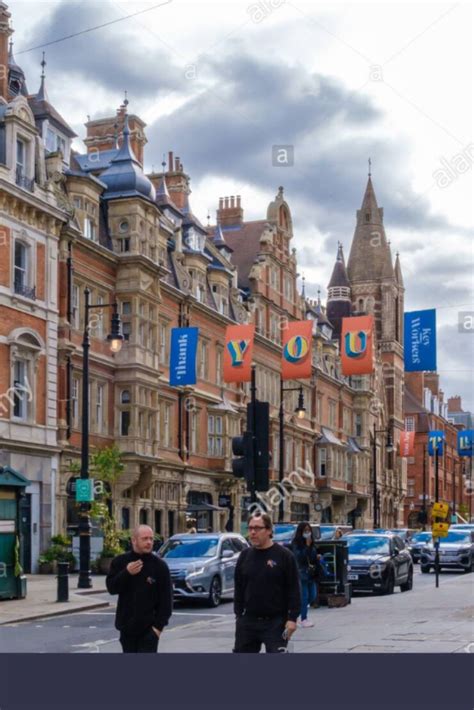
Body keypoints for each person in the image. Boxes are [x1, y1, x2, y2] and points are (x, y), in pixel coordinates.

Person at [233, 513, 301, 653]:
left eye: (258, 528)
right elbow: (239, 587)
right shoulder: (245, 555)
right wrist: (239, 616)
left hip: (276, 622)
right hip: (248, 621)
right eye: (250, 528)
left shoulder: (284, 556)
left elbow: (294, 589)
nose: (252, 532)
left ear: (269, 530)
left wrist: (292, 618)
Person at [106, 524, 173, 653]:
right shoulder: (120, 562)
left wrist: (157, 629)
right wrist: (126, 573)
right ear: (134, 540)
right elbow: (112, 588)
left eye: (151, 539)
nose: (149, 542)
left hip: (149, 630)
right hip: (127, 629)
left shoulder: (160, 566)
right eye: (145, 539)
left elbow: (166, 601)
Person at [291, 522, 321, 627]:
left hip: (311, 573)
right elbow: (299, 557)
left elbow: (311, 556)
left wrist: (316, 556)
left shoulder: (311, 542)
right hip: (302, 572)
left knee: (312, 595)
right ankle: (303, 618)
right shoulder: (296, 543)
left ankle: (295, 614)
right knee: (304, 596)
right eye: (305, 531)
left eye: (309, 530)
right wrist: (307, 547)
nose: (307, 533)